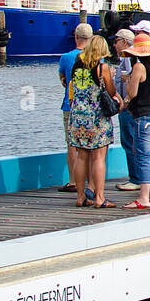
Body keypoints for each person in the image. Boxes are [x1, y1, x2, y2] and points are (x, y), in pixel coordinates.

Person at [67, 35, 118, 208]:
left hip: (78, 116)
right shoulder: (101, 67)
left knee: (81, 156)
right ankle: (100, 198)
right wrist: (110, 76)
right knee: (98, 157)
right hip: (96, 117)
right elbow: (110, 91)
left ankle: (81, 197)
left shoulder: (76, 66)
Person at [119, 33, 150, 209]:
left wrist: (128, 82)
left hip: (144, 115)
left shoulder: (139, 67)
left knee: (143, 155)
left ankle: (143, 197)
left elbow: (132, 93)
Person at [58, 22, 93, 194]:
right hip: (91, 107)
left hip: (70, 105)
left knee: (72, 145)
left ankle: (72, 181)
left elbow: (63, 79)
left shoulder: (66, 57)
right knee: (90, 145)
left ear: (76, 37)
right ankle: (90, 183)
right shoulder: (97, 58)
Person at [111, 29, 141, 192]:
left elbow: (130, 80)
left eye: (116, 41)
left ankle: (135, 178)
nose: (114, 44)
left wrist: (126, 101)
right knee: (133, 141)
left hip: (128, 107)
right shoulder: (126, 59)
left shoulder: (128, 59)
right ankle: (138, 177)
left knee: (130, 142)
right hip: (129, 106)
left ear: (123, 41)